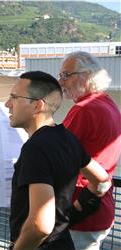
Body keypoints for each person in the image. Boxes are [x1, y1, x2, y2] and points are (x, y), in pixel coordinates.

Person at [5, 71, 110, 250]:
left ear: (38, 106)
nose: (7, 104)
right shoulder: (68, 138)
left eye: (14, 97)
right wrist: (73, 212)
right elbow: (101, 181)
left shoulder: (35, 148)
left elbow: (41, 225)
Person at [59, 51, 121, 249]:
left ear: (86, 76)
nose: (61, 82)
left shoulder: (83, 110)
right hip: (100, 206)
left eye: (65, 75)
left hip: (81, 210)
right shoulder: (108, 104)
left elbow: (57, 155)